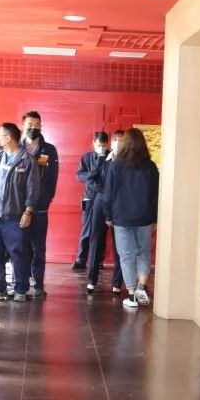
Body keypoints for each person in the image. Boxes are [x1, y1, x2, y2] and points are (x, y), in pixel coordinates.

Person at [102, 127, 159, 309]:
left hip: (122, 218)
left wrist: (108, 215)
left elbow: (108, 194)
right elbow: (156, 195)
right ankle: (142, 287)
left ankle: (132, 295)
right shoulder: (151, 167)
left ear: (124, 143)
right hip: (145, 217)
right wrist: (155, 218)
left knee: (126, 257)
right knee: (144, 252)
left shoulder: (116, 165)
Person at [0, 123, 40, 302]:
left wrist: (28, 212)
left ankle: (21, 289)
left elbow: (33, 189)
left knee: (18, 253)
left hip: (16, 216)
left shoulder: (27, 160)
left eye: (0, 136)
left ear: (8, 138)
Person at [21, 110, 59, 298]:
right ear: (23, 126)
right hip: (18, 208)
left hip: (40, 208)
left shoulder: (49, 150)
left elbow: (53, 177)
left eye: (37, 125)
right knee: (20, 246)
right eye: (30, 124)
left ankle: (38, 283)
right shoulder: (16, 147)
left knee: (38, 248)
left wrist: (45, 199)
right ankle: (21, 282)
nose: (33, 128)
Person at [87, 130, 125, 295]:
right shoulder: (104, 159)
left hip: (119, 206)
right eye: (114, 139)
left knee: (119, 245)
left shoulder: (128, 162)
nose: (117, 142)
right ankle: (91, 280)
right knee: (96, 242)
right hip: (100, 203)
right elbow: (92, 178)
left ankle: (117, 283)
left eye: (120, 140)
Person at [74, 131, 110, 270]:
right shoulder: (87, 157)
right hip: (89, 197)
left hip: (104, 198)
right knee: (86, 229)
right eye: (99, 145)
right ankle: (81, 259)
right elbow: (79, 175)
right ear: (93, 143)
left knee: (101, 231)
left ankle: (98, 260)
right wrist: (92, 173)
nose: (101, 147)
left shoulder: (111, 157)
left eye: (103, 145)